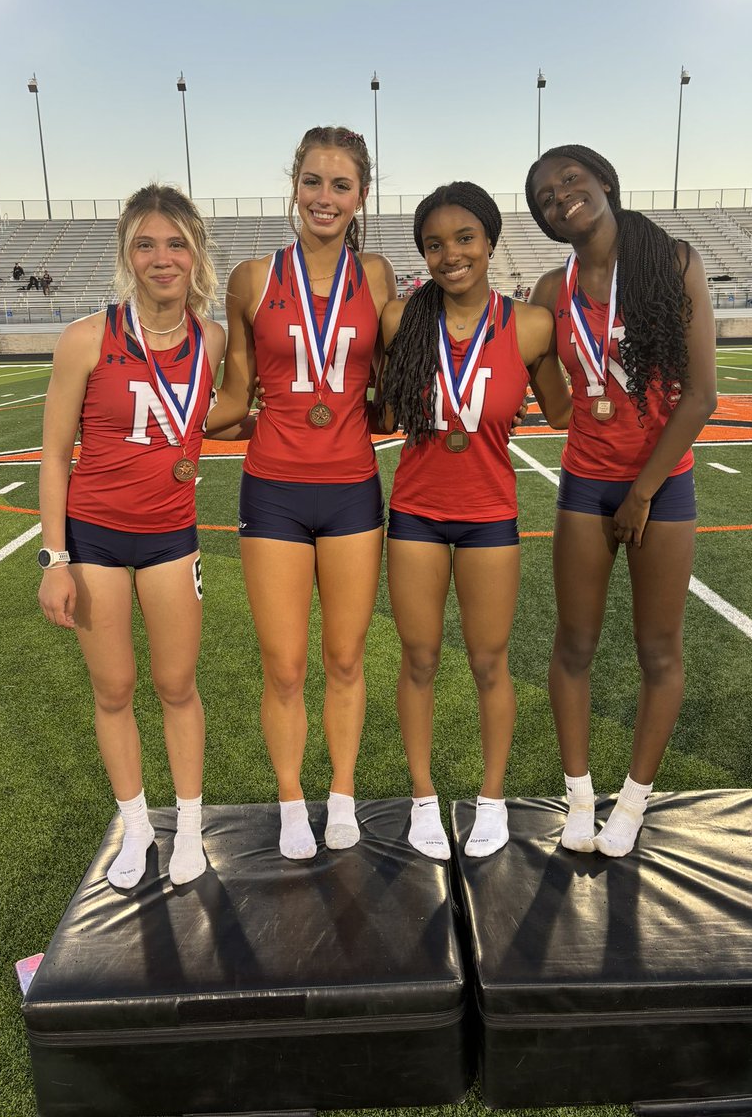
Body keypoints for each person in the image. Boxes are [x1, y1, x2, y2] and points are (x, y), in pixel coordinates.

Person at [207, 126, 396, 860]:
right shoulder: (253, 278)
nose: (325, 196)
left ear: (360, 197)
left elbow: (389, 386)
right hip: (275, 489)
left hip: (351, 488)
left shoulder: (376, 276)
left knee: (346, 659)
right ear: (295, 186)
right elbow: (233, 394)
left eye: (340, 185)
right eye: (313, 181)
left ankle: (341, 792)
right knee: (283, 665)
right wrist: (164, 428)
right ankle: (292, 800)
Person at [525, 145, 717, 858]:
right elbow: (550, 409)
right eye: (546, 195)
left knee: (658, 649)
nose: (561, 197)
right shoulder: (551, 288)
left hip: (660, 485)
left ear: (603, 180)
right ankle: (579, 797)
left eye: (570, 180)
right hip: (584, 479)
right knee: (573, 645)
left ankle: (632, 803)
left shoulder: (672, 262)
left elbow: (701, 398)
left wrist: (641, 493)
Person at [37, 183, 226, 890]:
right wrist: (55, 558)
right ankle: (137, 824)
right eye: (146, 244)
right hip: (95, 540)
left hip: (172, 538)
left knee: (176, 684)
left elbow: (228, 416)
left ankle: (189, 822)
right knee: (113, 688)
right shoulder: (87, 338)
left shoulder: (213, 339)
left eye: (175, 243)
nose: (162, 257)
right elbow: (55, 454)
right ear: (127, 253)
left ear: (195, 253)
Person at [380, 183, 571, 860]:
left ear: (490, 241)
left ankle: (492, 801)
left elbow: (560, 410)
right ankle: (423, 798)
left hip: (490, 513)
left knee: (491, 662)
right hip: (416, 515)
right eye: (435, 244)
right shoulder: (401, 320)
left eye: (464, 238)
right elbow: (380, 413)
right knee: (421, 658)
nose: (450, 253)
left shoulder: (531, 325)